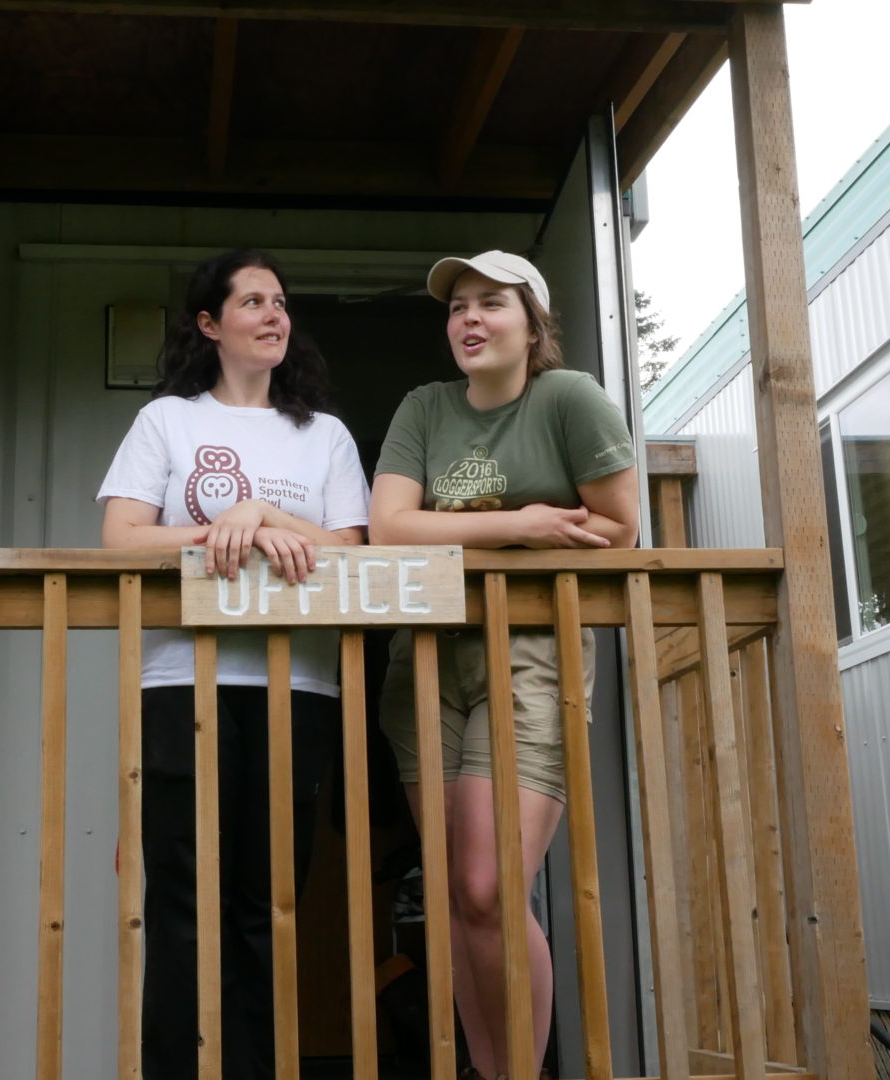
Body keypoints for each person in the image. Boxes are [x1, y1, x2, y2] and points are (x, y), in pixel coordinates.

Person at [97, 249, 369, 1080]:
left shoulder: (324, 435)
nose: (273, 314)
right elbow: (121, 539)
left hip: (300, 690)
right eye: (252, 301)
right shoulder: (167, 423)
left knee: (269, 904)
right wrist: (227, 530)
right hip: (182, 685)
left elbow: (354, 547)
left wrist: (263, 509)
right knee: (181, 904)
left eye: (281, 302)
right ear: (210, 325)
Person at [370, 250, 639, 1080]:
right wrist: (520, 521)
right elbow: (389, 528)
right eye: (457, 308)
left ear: (533, 323)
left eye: (491, 303)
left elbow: (618, 527)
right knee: (455, 901)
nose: (469, 320)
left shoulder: (568, 398)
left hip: (528, 658)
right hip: (422, 662)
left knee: (488, 887)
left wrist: (470, 532)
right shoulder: (425, 407)